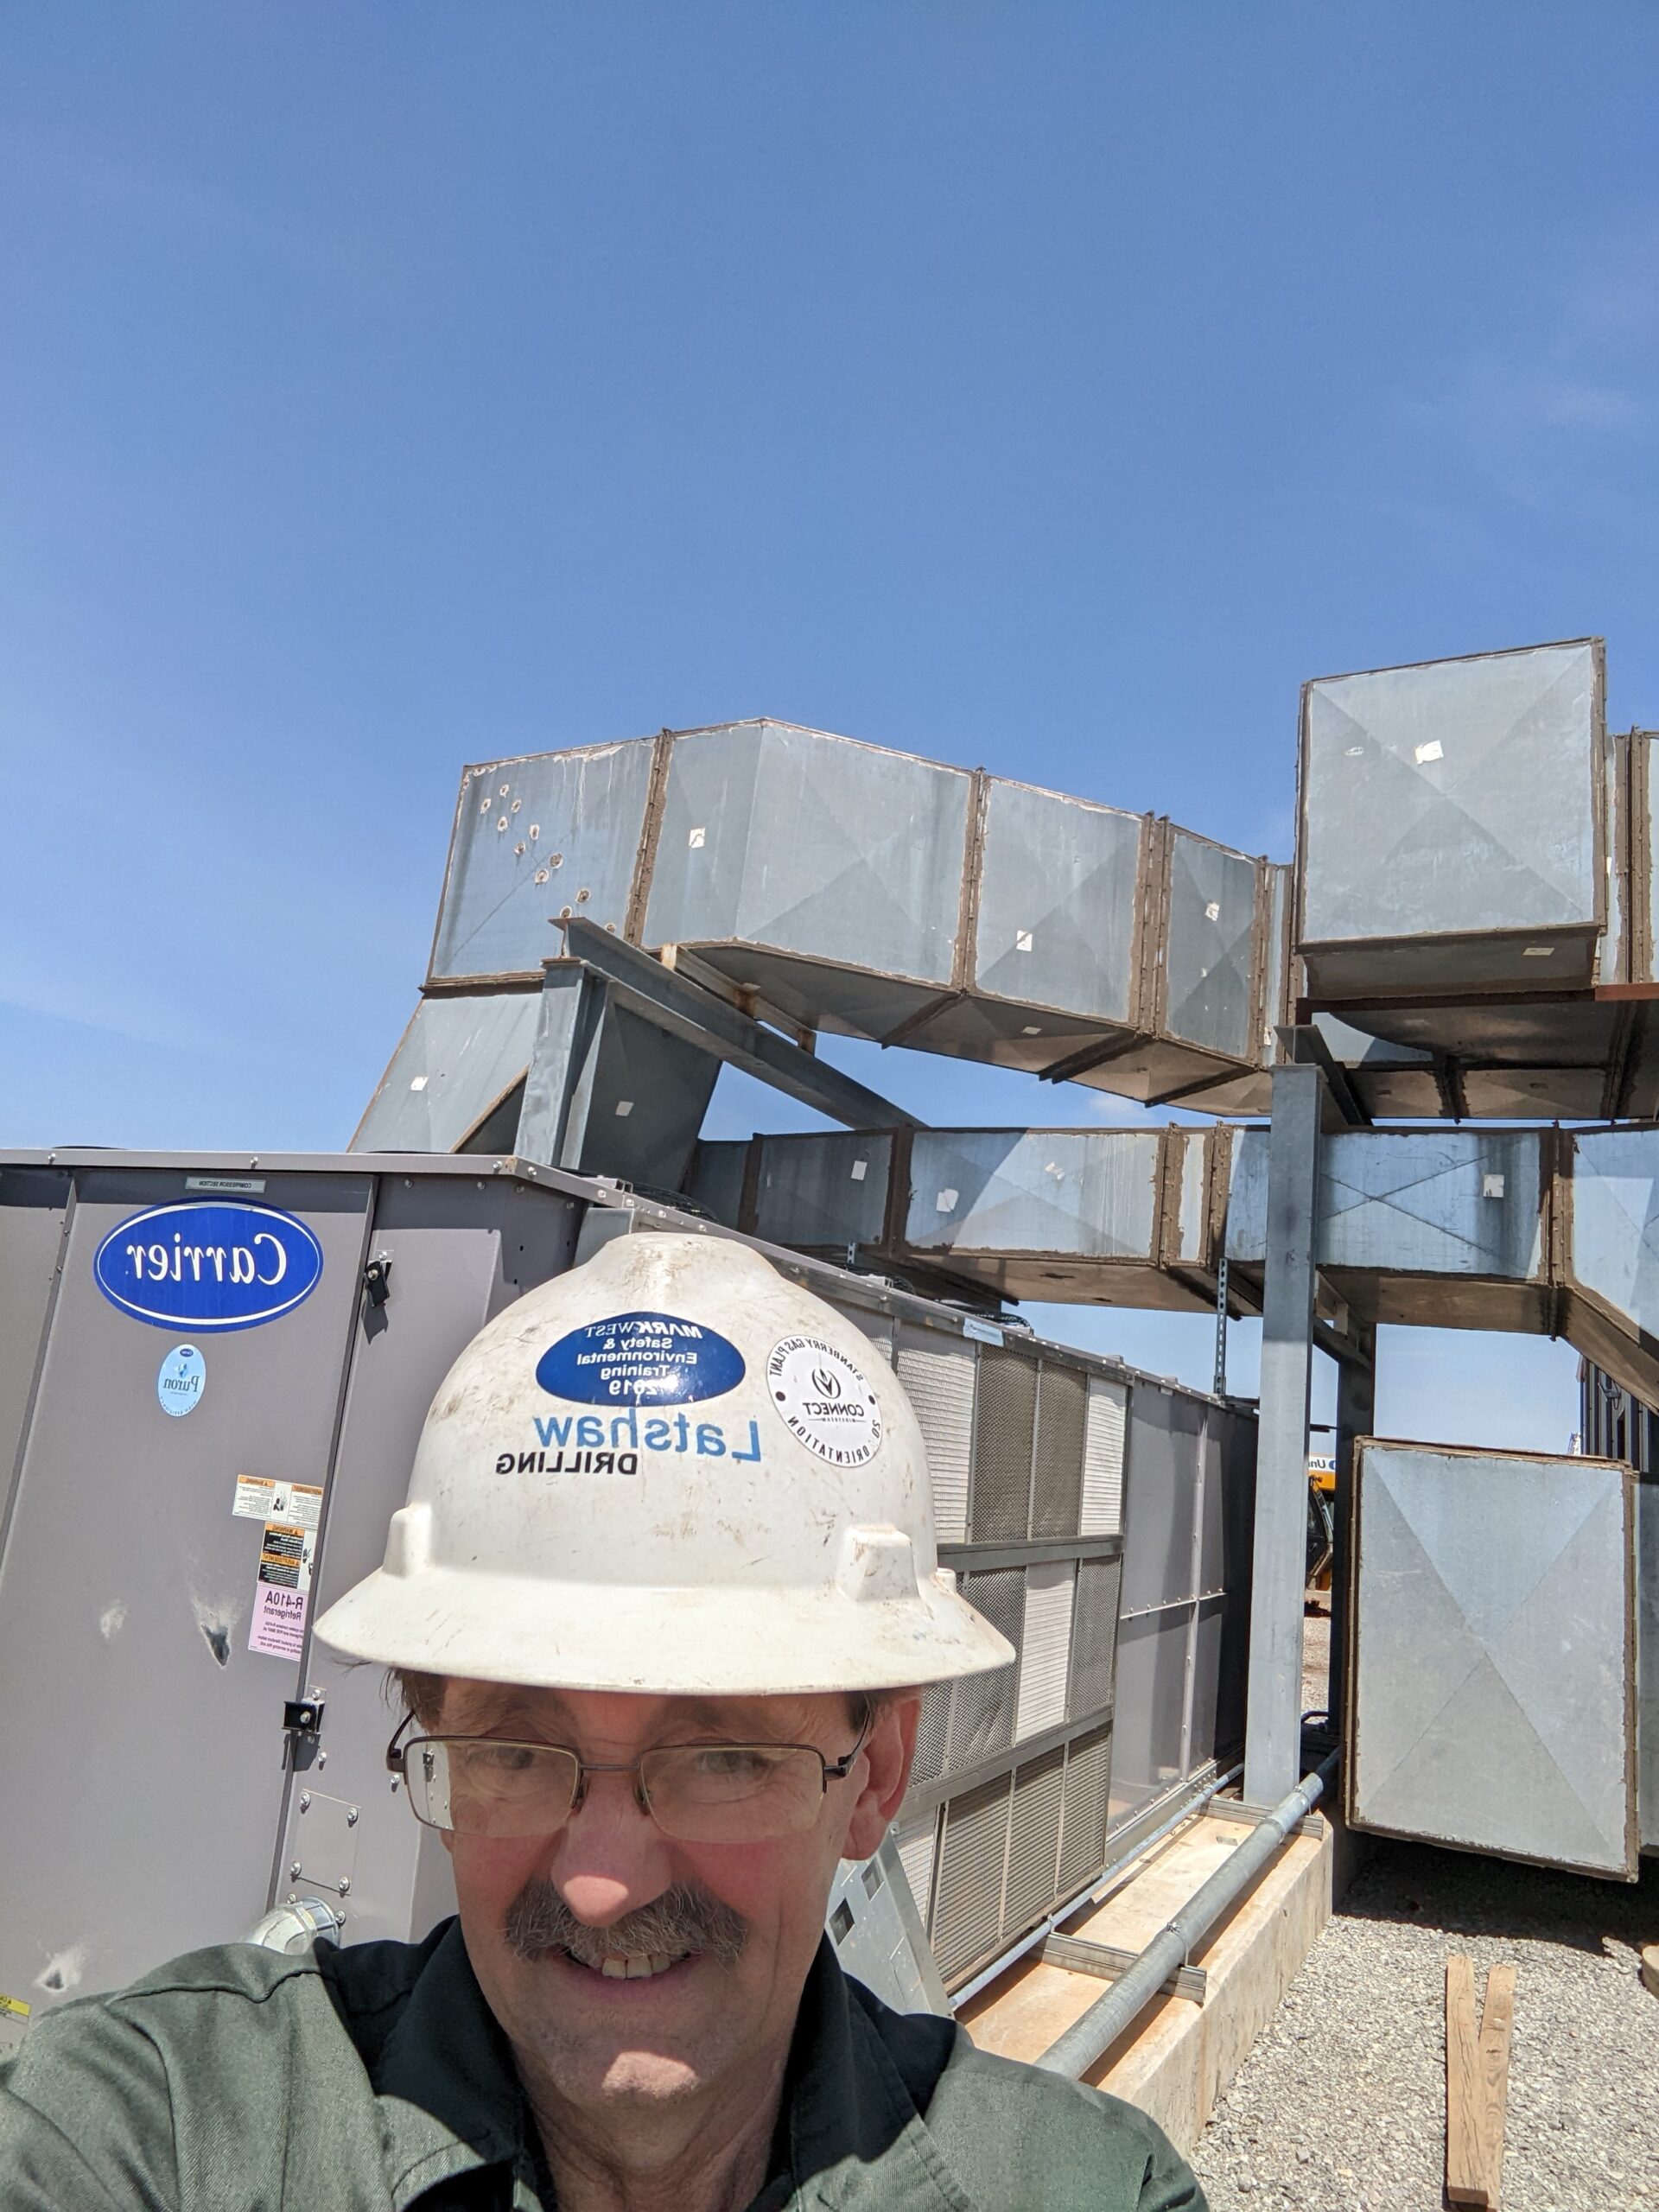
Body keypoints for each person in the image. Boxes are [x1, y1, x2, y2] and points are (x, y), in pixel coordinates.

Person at [0, 1230, 1205, 2211]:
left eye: (724, 1758)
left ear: (875, 1777)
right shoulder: (159, 2123)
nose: (603, 1887)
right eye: (515, 1753)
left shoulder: (1091, 2190)